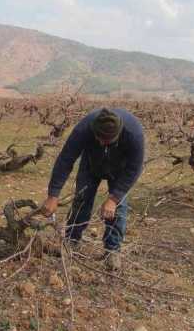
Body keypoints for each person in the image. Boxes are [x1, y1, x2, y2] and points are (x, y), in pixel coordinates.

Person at [41, 108, 145, 270]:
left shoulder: (133, 133)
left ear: (117, 135)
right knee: (81, 200)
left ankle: (112, 250)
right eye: (99, 138)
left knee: (118, 209)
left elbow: (134, 169)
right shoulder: (83, 129)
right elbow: (65, 159)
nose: (101, 142)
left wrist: (114, 198)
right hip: (90, 163)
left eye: (107, 140)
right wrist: (53, 195)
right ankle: (72, 240)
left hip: (120, 169)